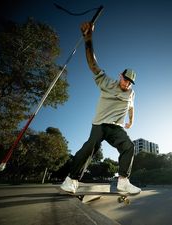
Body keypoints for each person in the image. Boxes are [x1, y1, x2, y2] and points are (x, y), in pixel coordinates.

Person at [60, 22, 141, 194]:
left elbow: (132, 108)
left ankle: (123, 181)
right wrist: (88, 39)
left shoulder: (131, 93)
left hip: (115, 128)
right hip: (99, 124)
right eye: (125, 79)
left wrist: (131, 122)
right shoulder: (107, 82)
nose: (126, 84)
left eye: (130, 82)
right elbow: (93, 65)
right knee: (90, 147)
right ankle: (71, 181)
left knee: (128, 146)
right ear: (121, 75)